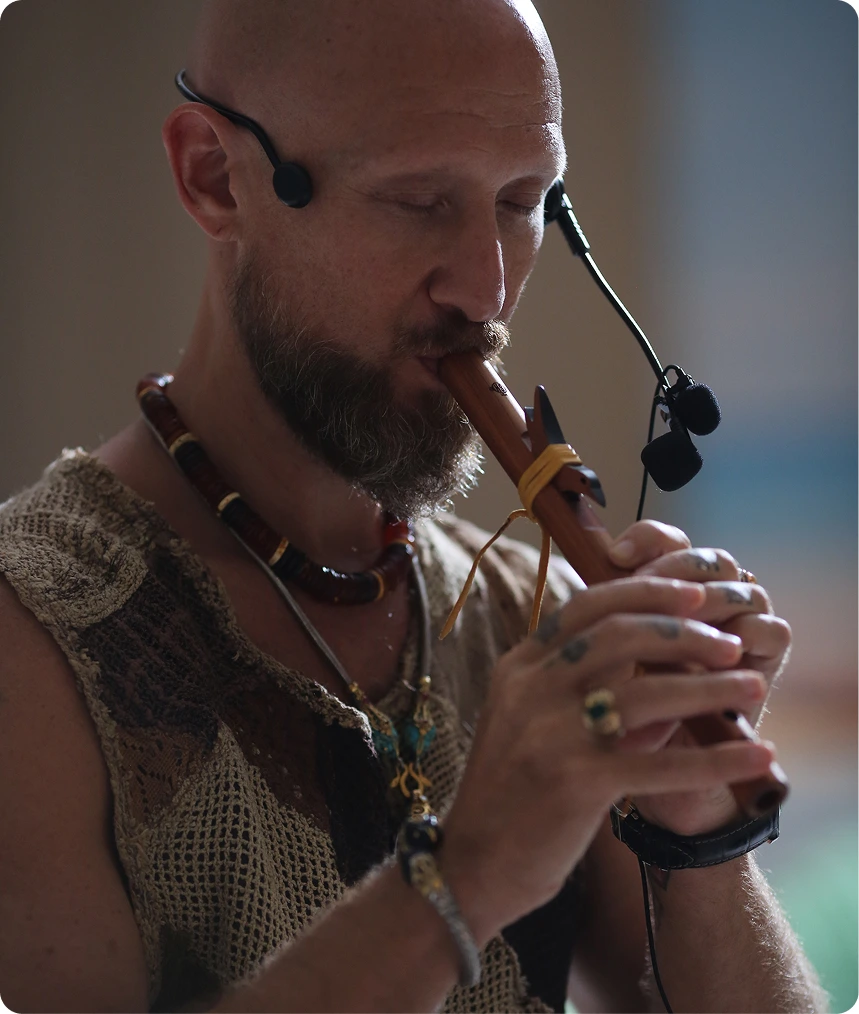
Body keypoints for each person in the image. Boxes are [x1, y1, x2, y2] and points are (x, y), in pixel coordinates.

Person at [0, 1, 825, 1011]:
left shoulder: (533, 609)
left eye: (523, 202)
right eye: (417, 200)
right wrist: (465, 875)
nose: (485, 292)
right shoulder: (32, 630)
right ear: (215, 177)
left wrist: (696, 831)